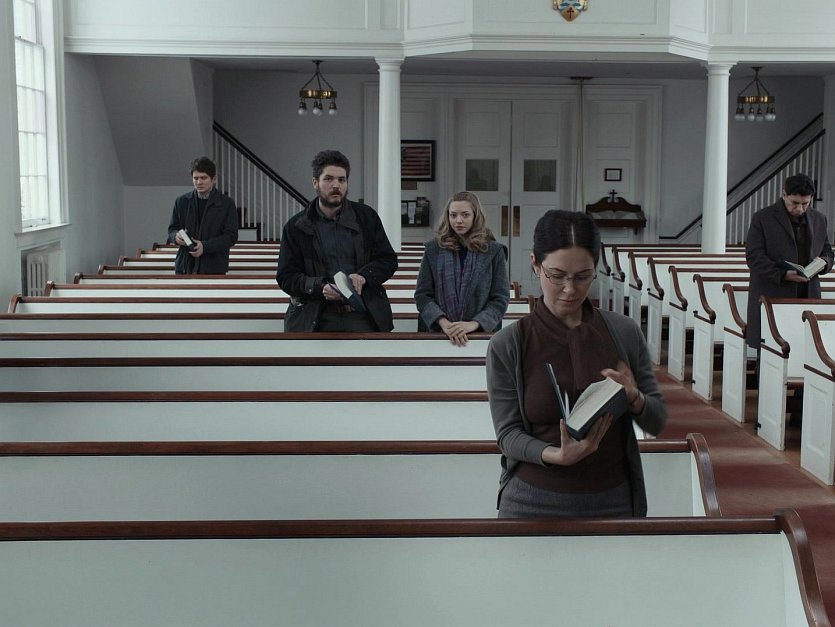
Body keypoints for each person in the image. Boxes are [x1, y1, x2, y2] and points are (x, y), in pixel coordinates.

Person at [486, 209, 667, 518]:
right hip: (531, 501)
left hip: (613, 500)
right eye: (557, 276)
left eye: (583, 276)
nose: (570, 289)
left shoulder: (624, 332)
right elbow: (508, 435)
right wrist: (555, 455)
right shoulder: (508, 343)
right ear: (535, 264)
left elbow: (657, 421)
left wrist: (635, 398)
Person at [275, 150, 398, 332]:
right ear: (315, 183)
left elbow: (388, 260)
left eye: (342, 180)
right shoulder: (296, 227)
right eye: (328, 179)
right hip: (315, 317)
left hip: (362, 315)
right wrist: (320, 286)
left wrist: (363, 276)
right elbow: (286, 277)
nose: (336, 185)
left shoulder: (366, 217)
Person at [745, 173, 834, 350]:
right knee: (771, 349)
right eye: (794, 203)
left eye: (805, 203)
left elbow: (827, 252)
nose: (800, 209)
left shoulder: (819, 218)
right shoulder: (762, 218)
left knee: (806, 349)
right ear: (784, 194)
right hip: (773, 291)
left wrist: (824, 263)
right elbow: (754, 256)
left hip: (808, 293)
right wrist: (783, 274)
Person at [414, 191, 510, 346]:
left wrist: (474, 324)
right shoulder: (433, 249)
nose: (458, 220)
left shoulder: (493, 251)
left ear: (475, 216)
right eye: (453, 215)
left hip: (480, 334)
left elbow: (500, 298)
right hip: (439, 333)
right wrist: (444, 323)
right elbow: (423, 295)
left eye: (465, 215)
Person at [167, 157, 238, 275]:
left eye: (203, 178)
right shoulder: (181, 201)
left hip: (214, 267)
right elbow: (172, 229)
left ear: (214, 179)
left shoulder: (227, 204)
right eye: (196, 178)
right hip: (184, 266)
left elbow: (231, 236)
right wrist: (176, 236)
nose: (199, 182)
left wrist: (205, 246)